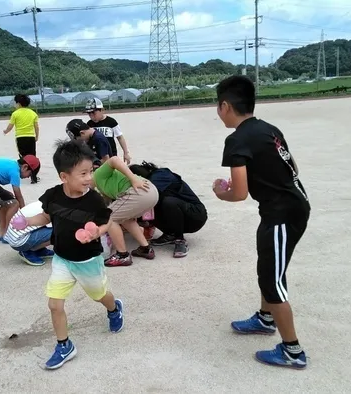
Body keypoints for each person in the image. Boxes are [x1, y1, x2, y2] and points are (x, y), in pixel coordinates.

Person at [213, 75, 310, 369]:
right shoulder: (269, 129)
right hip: (292, 205)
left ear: (225, 106)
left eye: (218, 107)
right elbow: (292, 166)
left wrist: (221, 192)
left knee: (272, 280)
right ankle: (265, 319)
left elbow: (239, 193)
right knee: (268, 267)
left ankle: (292, 351)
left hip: (281, 214)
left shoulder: (236, 140)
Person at [16, 140, 124, 370]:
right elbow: (45, 218)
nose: (89, 178)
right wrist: (25, 222)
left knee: (99, 295)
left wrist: (96, 232)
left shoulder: (94, 199)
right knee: (55, 305)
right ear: (64, 177)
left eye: (91, 172)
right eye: (83, 173)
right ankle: (64, 345)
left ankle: (114, 308)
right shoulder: (53, 196)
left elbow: (107, 222)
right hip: (62, 259)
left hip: (88, 261)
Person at [129, 161, 207, 258]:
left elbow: (144, 192)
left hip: (195, 215)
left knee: (168, 202)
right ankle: (170, 234)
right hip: (178, 217)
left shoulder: (161, 174)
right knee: (147, 204)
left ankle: (180, 240)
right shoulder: (151, 180)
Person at [93, 156, 158, 267]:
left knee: (109, 218)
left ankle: (122, 255)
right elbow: (108, 206)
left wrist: (134, 179)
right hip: (150, 192)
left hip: (139, 190)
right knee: (125, 218)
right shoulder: (101, 187)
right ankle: (146, 249)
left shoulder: (98, 174)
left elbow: (114, 160)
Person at [0, 156, 40, 243]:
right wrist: (24, 213)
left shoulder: (13, 165)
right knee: (13, 203)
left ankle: (2, 233)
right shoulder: (15, 172)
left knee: (7, 201)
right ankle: (7, 234)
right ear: (25, 167)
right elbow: (18, 195)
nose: (28, 177)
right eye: (30, 174)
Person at [2, 200, 54, 266]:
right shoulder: (54, 209)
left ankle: (39, 250)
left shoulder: (46, 201)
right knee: (61, 232)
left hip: (16, 235)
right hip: (19, 241)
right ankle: (28, 251)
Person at [3, 94, 40, 183]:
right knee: (32, 157)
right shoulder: (33, 113)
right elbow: (36, 127)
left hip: (20, 138)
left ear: (19, 104)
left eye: (15, 103)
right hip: (31, 137)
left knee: (23, 157)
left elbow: (10, 126)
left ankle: (22, 173)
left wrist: (5, 131)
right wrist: (37, 136)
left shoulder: (15, 114)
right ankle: (33, 176)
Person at [84, 98, 131, 164]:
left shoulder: (111, 122)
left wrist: (126, 153)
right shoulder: (89, 124)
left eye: (94, 113)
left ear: (102, 110)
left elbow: (120, 137)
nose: (92, 117)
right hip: (96, 159)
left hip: (111, 156)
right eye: (89, 114)